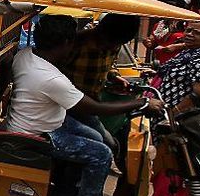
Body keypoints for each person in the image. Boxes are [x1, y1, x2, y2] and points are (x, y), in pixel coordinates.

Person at [6, 16, 164, 196]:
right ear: (66, 43)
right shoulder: (52, 79)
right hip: (38, 133)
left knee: (97, 137)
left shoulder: (25, 55)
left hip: (45, 121)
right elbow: (95, 108)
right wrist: (140, 102)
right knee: (102, 153)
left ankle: (67, 193)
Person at [149, 18, 200, 196]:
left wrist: (173, 114)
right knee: (164, 159)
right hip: (166, 116)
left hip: (181, 121)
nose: (189, 35)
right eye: (188, 30)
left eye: (196, 33)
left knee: (175, 162)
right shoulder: (189, 53)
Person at [59, 14, 141, 153]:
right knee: (107, 143)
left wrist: (113, 76)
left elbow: (108, 66)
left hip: (91, 103)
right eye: (111, 42)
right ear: (102, 31)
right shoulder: (78, 44)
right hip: (71, 106)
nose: (113, 47)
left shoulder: (116, 42)